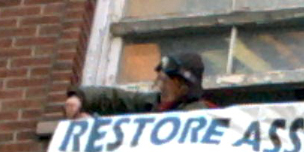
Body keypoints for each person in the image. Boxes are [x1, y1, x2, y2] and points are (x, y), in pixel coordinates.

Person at [64, 52, 216, 119]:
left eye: (166, 82)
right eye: (159, 81)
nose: (160, 87)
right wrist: (79, 97)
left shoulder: (201, 112)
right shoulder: (151, 103)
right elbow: (115, 98)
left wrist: (95, 127)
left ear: (182, 87)